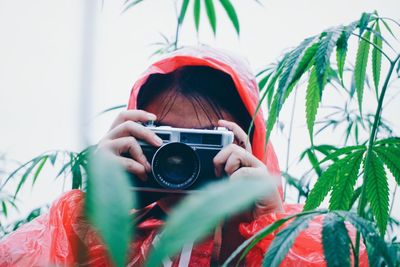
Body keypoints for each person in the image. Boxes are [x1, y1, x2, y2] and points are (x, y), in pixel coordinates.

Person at [0, 46, 367, 266]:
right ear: (131, 136)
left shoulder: (301, 236)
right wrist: (93, 221)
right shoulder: (89, 227)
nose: (179, 160)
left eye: (205, 143)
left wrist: (264, 236)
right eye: (162, 140)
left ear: (248, 146)